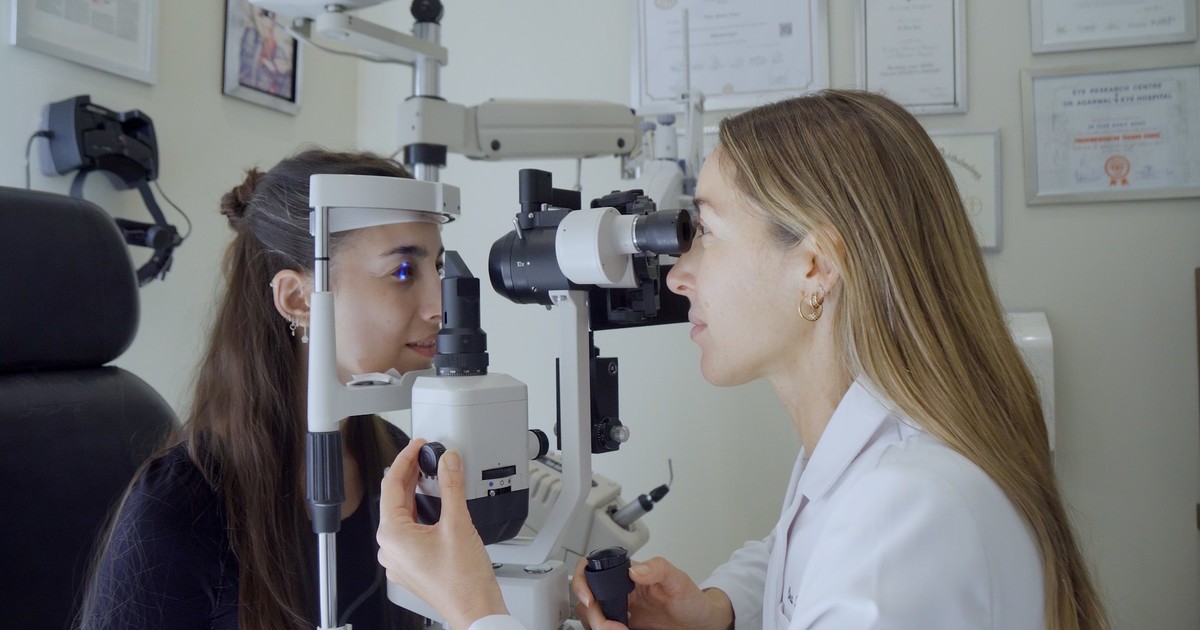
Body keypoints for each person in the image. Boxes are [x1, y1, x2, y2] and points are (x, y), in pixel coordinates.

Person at [373, 90, 1110, 630]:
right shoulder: (865, 454)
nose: (678, 275)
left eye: (706, 232)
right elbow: (805, 557)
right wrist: (722, 609)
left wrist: (473, 608)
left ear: (815, 266)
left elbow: (861, 563)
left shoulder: (906, 514)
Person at [76, 150, 444, 630]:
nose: (439, 305)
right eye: (403, 272)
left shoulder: (399, 462)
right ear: (297, 298)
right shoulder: (182, 507)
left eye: (438, 268)